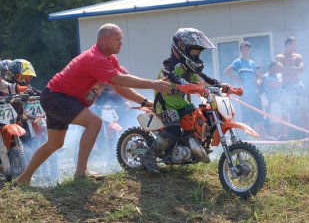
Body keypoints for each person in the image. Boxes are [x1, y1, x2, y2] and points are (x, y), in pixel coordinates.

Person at [16, 23, 171, 185]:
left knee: (55, 143)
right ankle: (81, 172)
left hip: (56, 97)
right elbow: (120, 79)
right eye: (117, 39)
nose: (121, 43)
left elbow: (119, 87)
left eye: (121, 39)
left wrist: (146, 102)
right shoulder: (95, 59)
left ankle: (23, 179)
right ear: (103, 40)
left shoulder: (110, 59)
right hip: (57, 97)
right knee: (94, 123)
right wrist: (154, 84)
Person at [141, 28, 228, 173]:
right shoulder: (170, 64)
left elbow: (203, 78)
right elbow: (170, 74)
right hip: (165, 105)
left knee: (199, 118)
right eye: (194, 52)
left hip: (181, 104)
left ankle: (193, 147)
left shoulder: (189, 68)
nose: (197, 55)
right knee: (173, 129)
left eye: (199, 53)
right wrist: (183, 83)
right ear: (181, 49)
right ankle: (149, 156)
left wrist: (219, 84)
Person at [224, 41, 265, 137]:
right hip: (244, 93)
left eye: (247, 49)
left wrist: (258, 81)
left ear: (250, 51)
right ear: (241, 51)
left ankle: (259, 135)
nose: (245, 51)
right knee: (246, 115)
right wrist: (238, 79)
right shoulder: (238, 62)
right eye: (243, 50)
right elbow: (227, 71)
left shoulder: (252, 63)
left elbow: (257, 76)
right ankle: (246, 136)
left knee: (258, 114)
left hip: (254, 92)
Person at [276, 37, 309, 139]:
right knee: (284, 110)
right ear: (288, 45)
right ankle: (284, 134)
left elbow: (302, 68)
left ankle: (307, 132)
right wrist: (294, 69)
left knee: (303, 108)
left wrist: (289, 69)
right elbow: (279, 68)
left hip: (297, 84)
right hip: (286, 86)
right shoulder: (280, 56)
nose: (295, 46)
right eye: (294, 44)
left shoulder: (298, 56)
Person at [260, 61, 282, 139]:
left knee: (281, 120)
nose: (278, 69)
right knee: (273, 121)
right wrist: (279, 83)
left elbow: (280, 83)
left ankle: (280, 136)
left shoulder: (279, 75)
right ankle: (274, 137)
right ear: (272, 67)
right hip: (272, 102)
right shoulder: (265, 76)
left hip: (281, 101)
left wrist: (279, 82)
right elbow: (273, 84)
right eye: (277, 67)